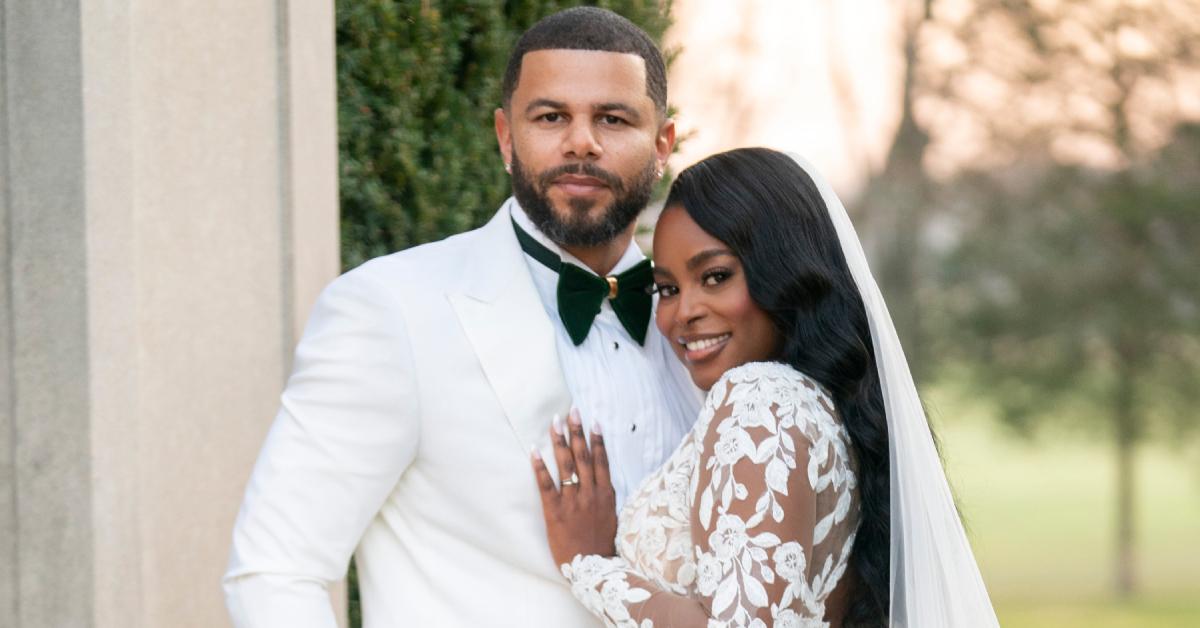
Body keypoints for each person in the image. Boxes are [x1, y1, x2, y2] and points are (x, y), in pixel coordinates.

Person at [222, 8, 701, 627]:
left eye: (612, 118)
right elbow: (274, 571)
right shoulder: (392, 310)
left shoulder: (704, 330)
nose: (581, 141)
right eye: (551, 116)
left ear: (662, 143)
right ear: (506, 137)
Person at [531, 148, 1000, 627]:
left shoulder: (759, 398)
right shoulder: (827, 407)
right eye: (668, 289)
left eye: (715, 276)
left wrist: (588, 565)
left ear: (785, 272)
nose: (683, 311)